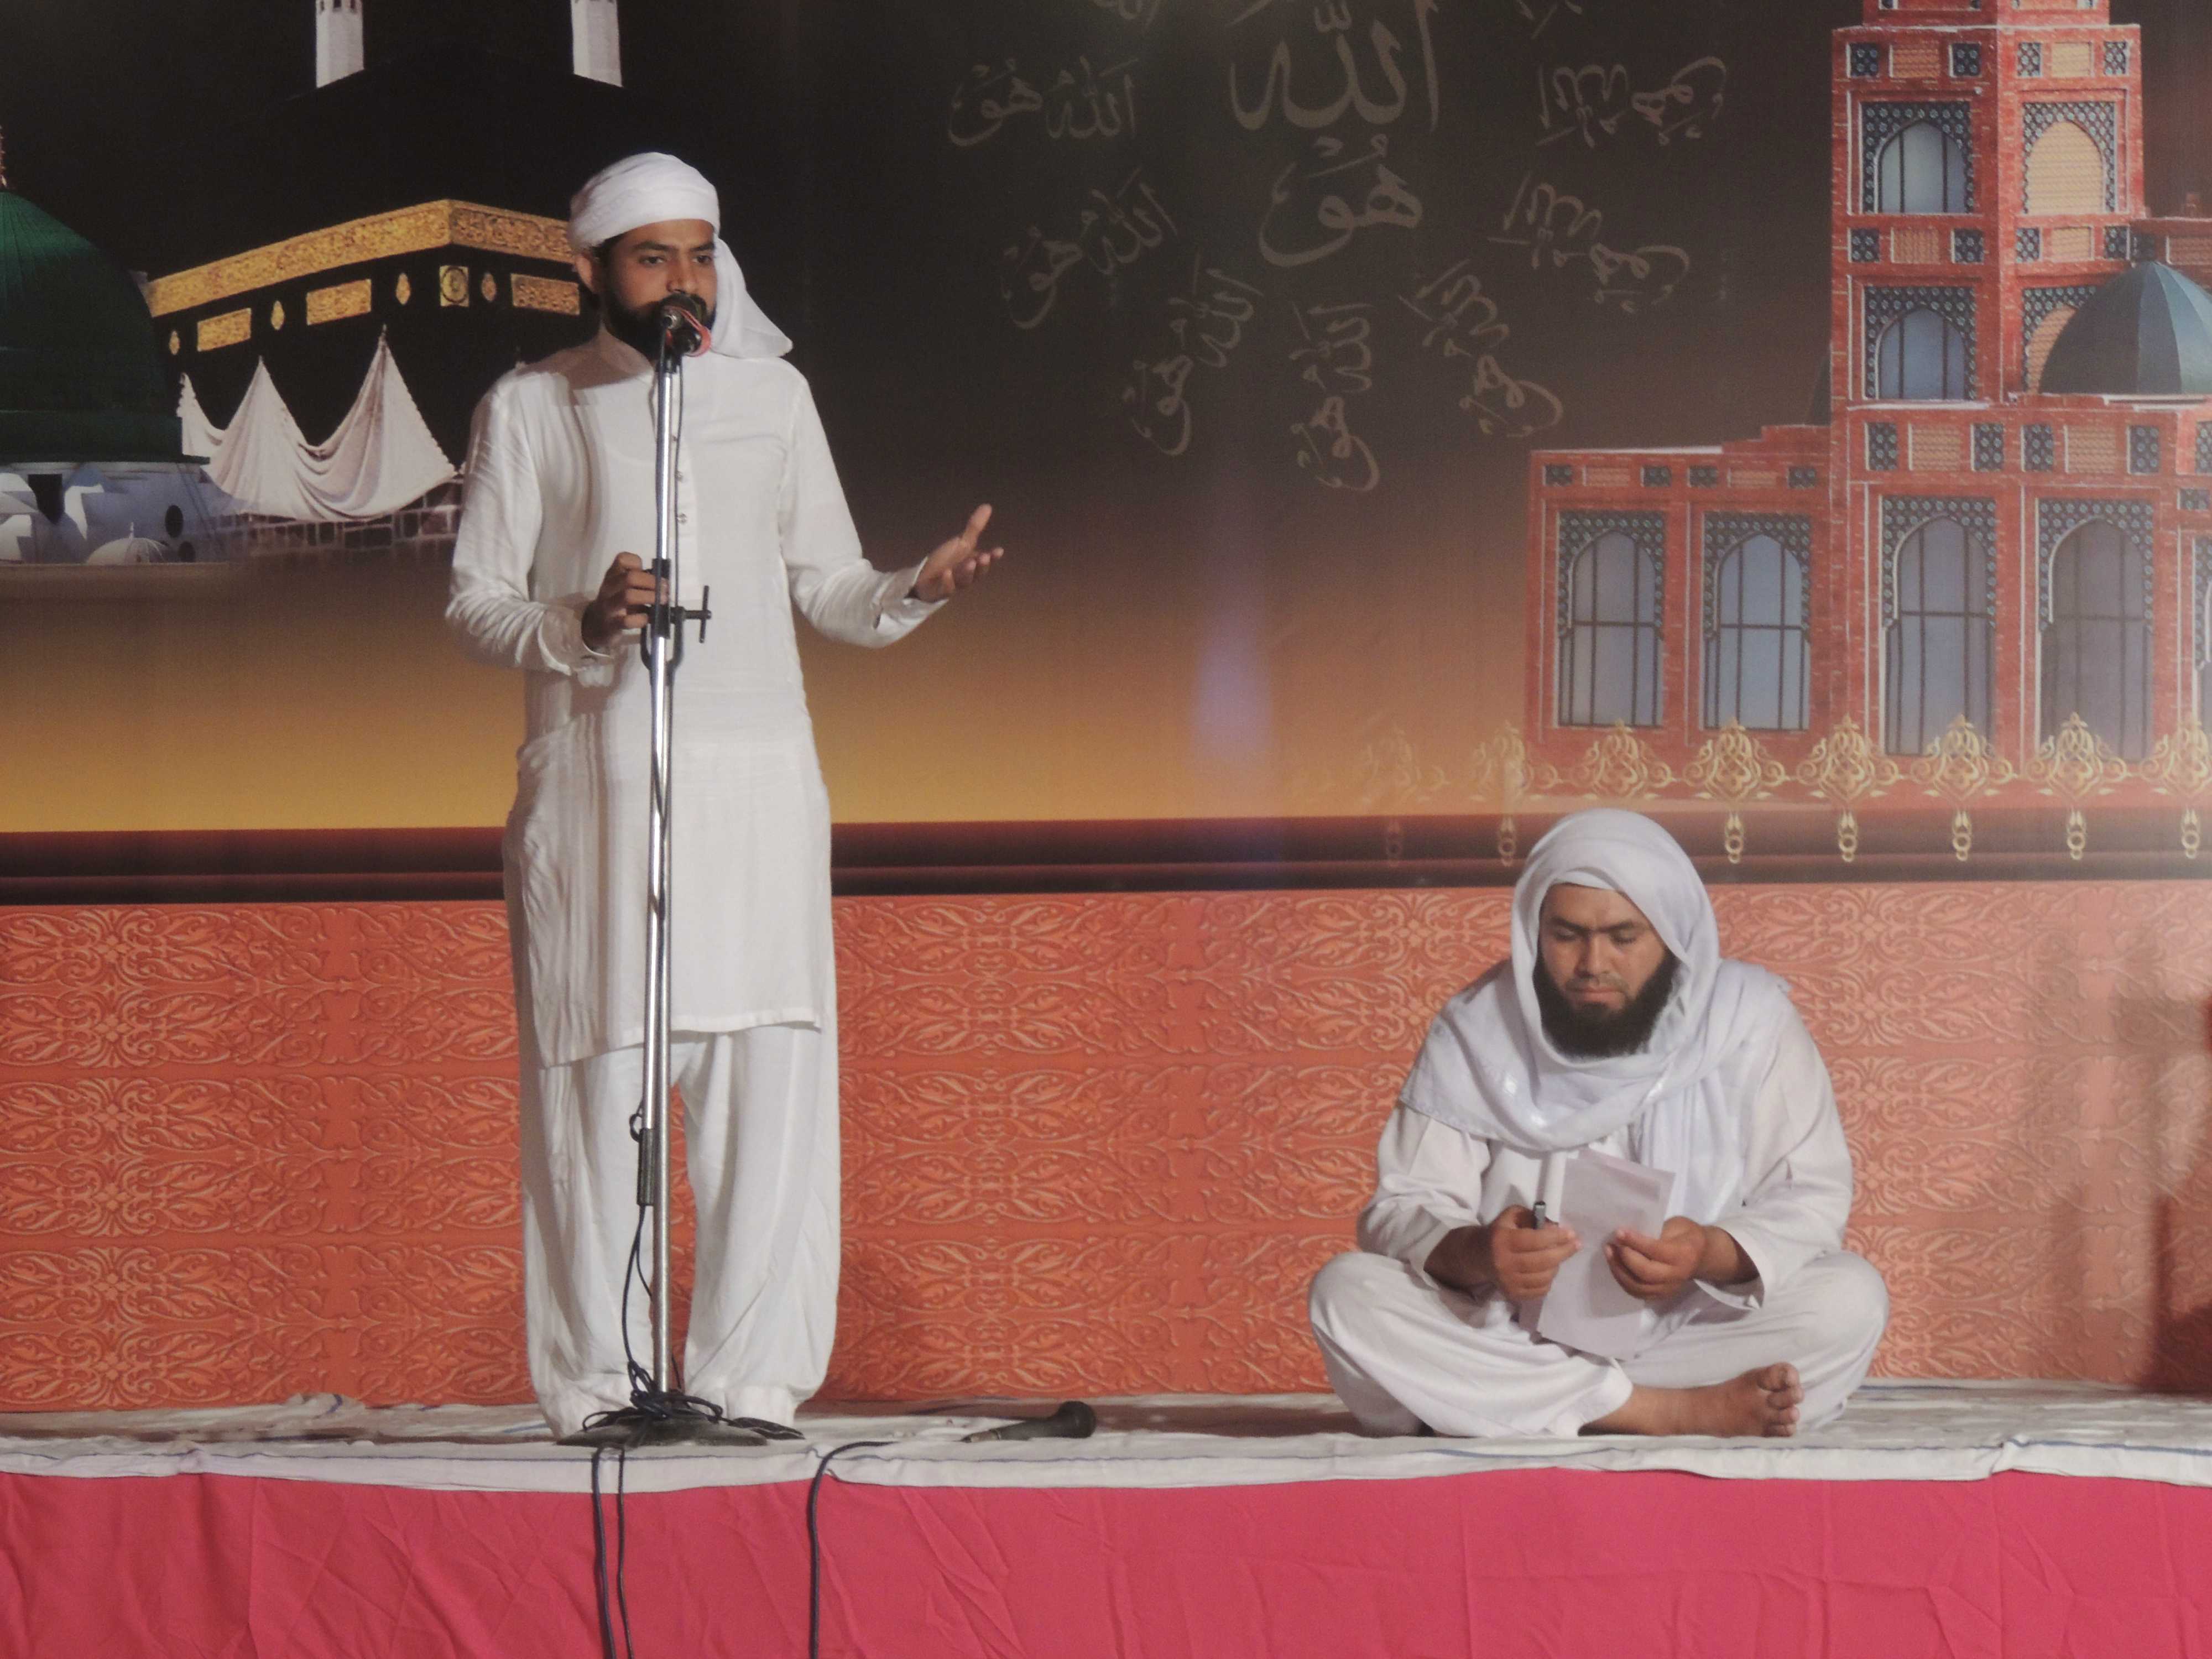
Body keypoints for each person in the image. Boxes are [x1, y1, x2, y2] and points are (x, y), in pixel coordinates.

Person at [446, 153, 1002, 1440]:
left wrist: (913, 589)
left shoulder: (771, 396)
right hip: (598, 794)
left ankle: (750, 1381)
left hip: (757, 792)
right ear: (589, 269)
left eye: (699, 255)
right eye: (653, 259)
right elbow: (475, 603)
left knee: (767, 1084)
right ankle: (598, 1385)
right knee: (599, 1090)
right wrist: (578, 623)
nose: (683, 280)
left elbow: (828, 587)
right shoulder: (531, 404)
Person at [1308, 809, 1886, 1438]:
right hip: (1512, 1331)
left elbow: (1810, 1199)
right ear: (1534, 933)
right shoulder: (1475, 1030)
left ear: (1672, 934)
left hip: (1680, 1333)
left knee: (1849, 1298)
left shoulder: (1749, 1021)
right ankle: (1661, 1412)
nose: (1592, 964)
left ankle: (1521, 1405)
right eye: (1567, 936)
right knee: (1348, 1293)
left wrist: (1706, 1252)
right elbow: (1401, 1207)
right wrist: (1480, 1254)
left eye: (1622, 937)